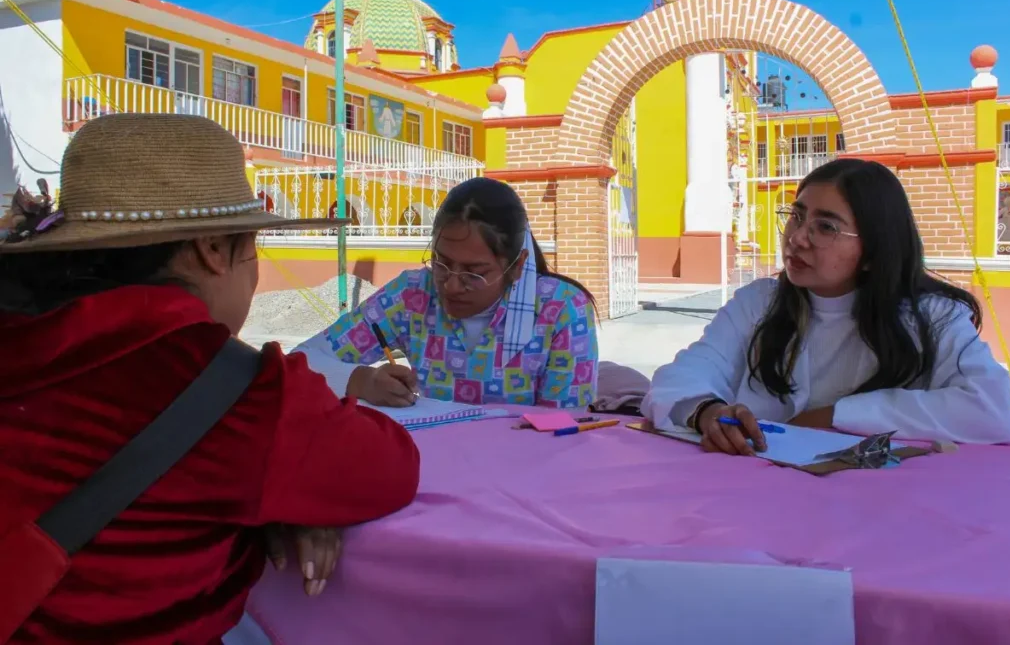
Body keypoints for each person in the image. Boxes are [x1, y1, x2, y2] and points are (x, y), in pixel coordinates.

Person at [0, 114, 421, 644]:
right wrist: (287, 500)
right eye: (253, 246)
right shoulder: (228, 387)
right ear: (214, 251)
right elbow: (388, 467)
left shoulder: (21, 331)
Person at [642, 158, 1010, 454]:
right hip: (757, 497)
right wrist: (706, 411)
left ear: (874, 250)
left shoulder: (931, 317)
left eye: (826, 227)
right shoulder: (758, 302)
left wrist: (835, 416)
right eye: (796, 216)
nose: (797, 238)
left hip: (880, 508)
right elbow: (681, 377)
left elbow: (992, 410)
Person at [295, 177, 599, 409]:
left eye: (474, 273)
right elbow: (299, 363)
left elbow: (566, 427)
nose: (451, 286)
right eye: (441, 264)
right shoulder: (411, 296)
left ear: (517, 266)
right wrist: (359, 380)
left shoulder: (560, 309)